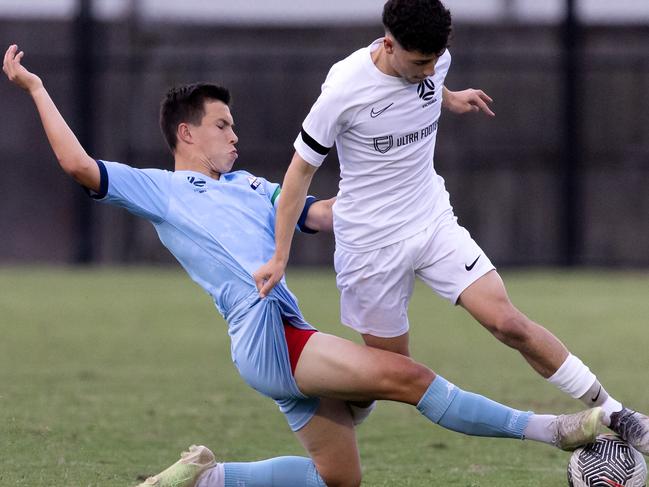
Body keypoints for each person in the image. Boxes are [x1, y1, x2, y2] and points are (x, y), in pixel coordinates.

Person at [4, 44, 603, 487]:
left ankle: (205, 479)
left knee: (337, 479)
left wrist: (398, 199)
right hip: (267, 335)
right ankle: (555, 431)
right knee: (408, 377)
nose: (234, 136)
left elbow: (322, 215)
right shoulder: (161, 190)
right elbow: (81, 166)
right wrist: (35, 88)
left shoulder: (251, 185)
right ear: (186, 134)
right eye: (222, 125)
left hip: (280, 335)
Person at [253, 0, 649, 456]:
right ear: (388, 45)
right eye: (419, 62)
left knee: (508, 322)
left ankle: (617, 413)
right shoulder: (343, 90)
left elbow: (428, 81)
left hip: (431, 219)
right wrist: (281, 256)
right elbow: (298, 175)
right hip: (369, 246)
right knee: (394, 375)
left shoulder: (435, 62)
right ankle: (333, 401)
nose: (428, 70)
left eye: (434, 62)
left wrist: (449, 95)